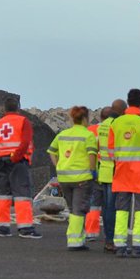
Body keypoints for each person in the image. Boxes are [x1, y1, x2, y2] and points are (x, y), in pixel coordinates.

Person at [107, 88, 140, 258]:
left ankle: (120, 244)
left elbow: (110, 151)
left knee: (121, 209)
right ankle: (138, 245)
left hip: (122, 171)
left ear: (127, 102)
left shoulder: (116, 123)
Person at [0, 96, 40, 239]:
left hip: (1, 164)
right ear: (18, 107)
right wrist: (15, 158)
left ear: (4, 109)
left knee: (2, 196)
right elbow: (25, 142)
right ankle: (25, 228)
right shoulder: (23, 122)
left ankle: (2, 228)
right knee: (22, 195)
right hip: (18, 163)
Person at [47, 106, 98, 251]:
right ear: (84, 119)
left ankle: (78, 238)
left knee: (72, 208)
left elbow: (51, 151)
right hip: (82, 177)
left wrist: (58, 166)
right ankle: (74, 240)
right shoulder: (88, 135)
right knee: (78, 209)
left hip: (64, 178)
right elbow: (92, 155)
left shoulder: (63, 134)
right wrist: (93, 171)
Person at [93, 101, 124, 252]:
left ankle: (108, 239)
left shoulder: (102, 125)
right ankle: (112, 240)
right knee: (114, 208)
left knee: (106, 208)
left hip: (103, 171)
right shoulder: (118, 125)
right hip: (115, 171)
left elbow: (97, 147)